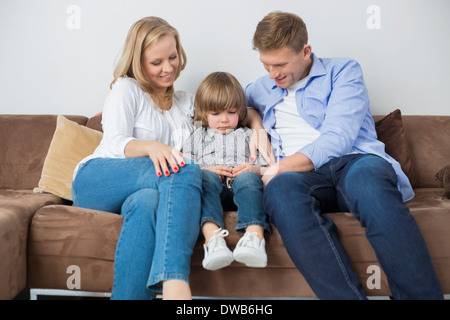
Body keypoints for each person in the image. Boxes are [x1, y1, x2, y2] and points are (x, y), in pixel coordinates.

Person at [245, 11, 443, 299]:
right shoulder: (261, 87)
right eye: (266, 65)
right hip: (303, 178)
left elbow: (339, 138)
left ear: (306, 51)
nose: (273, 74)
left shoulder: (343, 71)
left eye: (280, 64)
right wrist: (256, 123)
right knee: (280, 192)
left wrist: (279, 167)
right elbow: (236, 103)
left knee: (368, 181)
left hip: (354, 162)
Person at [71, 16, 202, 300]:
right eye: (157, 62)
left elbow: (234, 106)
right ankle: (174, 284)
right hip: (98, 179)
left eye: (173, 57)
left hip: (143, 189)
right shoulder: (126, 89)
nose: (168, 68)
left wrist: (255, 126)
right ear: (139, 62)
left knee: (148, 203)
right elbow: (116, 142)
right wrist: (151, 146)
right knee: (183, 169)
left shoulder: (185, 102)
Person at [182, 72, 271, 271]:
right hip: (213, 186)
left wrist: (254, 169)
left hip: (242, 184)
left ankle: (255, 237)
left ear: (240, 111)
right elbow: (185, 167)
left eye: (231, 112)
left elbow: (267, 167)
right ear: (204, 114)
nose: (224, 120)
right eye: (215, 114)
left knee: (249, 177)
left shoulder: (249, 135)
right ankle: (213, 241)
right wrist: (205, 169)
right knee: (204, 177)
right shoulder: (198, 135)